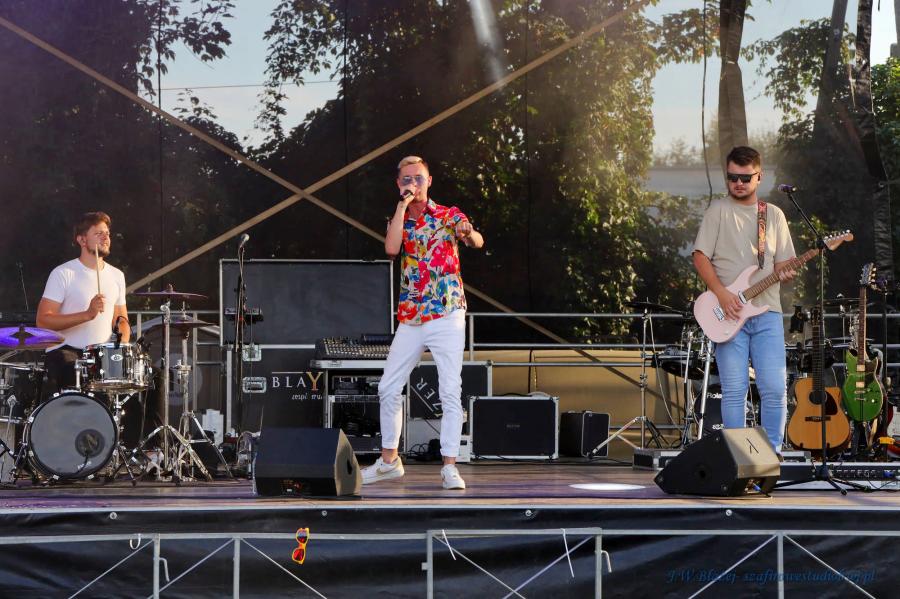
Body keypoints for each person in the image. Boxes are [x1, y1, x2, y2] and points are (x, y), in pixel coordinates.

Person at [362, 156, 484, 490]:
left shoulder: (448, 214)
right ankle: (389, 462)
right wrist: (401, 207)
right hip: (412, 315)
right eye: (406, 179)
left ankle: (449, 466)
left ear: (429, 181)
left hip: (446, 310)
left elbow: (476, 240)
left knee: (450, 389)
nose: (412, 184)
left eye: (418, 178)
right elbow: (391, 249)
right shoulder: (399, 219)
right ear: (398, 184)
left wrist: (468, 233)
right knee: (388, 386)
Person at [692, 146, 796, 453]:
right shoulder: (717, 211)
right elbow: (700, 257)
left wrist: (787, 273)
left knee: (774, 388)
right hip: (728, 313)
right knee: (735, 390)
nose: (738, 183)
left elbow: (782, 266)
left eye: (745, 178)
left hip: (768, 312)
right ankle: (735, 457)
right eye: (732, 177)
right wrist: (722, 294)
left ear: (759, 177)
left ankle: (773, 454)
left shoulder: (773, 215)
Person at [36, 211, 130, 393]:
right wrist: (87, 314)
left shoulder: (117, 276)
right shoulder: (63, 273)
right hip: (66, 351)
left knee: (154, 377)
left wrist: (120, 347)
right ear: (82, 240)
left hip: (101, 355)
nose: (106, 238)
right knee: (71, 368)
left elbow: (122, 321)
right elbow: (43, 321)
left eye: (107, 233)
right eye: (98, 233)